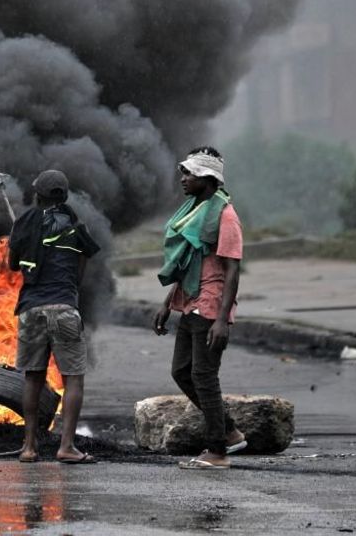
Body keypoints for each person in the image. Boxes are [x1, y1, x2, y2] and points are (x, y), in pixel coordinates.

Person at [153, 146, 247, 470]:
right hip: (190, 301)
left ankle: (217, 450)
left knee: (204, 375)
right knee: (181, 371)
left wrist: (222, 320)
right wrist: (168, 304)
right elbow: (187, 261)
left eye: (188, 173)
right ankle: (230, 431)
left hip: (210, 306)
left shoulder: (226, 216)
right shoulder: (194, 210)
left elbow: (232, 270)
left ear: (206, 178)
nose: (182, 179)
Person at [8, 169, 101, 464]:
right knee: (73, 379)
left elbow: (14, 265)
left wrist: (26, 245)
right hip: (64, 308)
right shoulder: (75, 226)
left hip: (31, 309)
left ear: (37, 195)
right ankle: (66, 447)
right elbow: (79, 273)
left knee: (32, 379)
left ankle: (29, 447)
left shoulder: (25, 222)